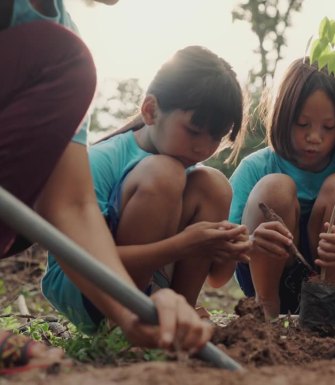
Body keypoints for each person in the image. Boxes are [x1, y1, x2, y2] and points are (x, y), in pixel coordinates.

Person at [0, 0, 213, 374]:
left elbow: (71, 206)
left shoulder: (63, 42)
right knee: (62, 57)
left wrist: (131, 311)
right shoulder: (60, 58)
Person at [42, 45, 251, 334]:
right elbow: (82, 261)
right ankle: (124, 324)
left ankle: (177, 317)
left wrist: (233, 247)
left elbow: (218, 278)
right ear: (151, 110)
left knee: (215, 184)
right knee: (164, 173)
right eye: (193, 130)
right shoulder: (103, 160)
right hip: (86, 285)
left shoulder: (192, 175)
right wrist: (183, 245)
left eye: (216, 137)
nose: (203, 148)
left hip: (146, 282)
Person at [229, 58, 335, 320]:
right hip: (262, 282)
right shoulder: (256, 167)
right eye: (302, 124)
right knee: (275, 187)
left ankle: (324, 312)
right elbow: (219, 249)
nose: (314, 137)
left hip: (324, 288)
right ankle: (266, 312)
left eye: (328, 127)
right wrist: (250, 243)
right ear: (283, 117)